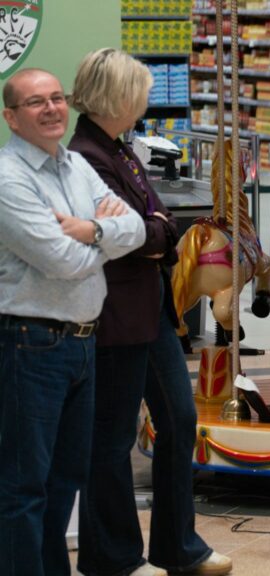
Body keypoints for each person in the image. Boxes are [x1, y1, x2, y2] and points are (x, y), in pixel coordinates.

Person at [66, 49, 233, 576]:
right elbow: (139, 236)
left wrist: (151, 229)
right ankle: (113, 558)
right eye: (138, 91)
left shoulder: (119, 148)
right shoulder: (87, 156)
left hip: (150, 311)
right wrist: (152, 230)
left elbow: (157, 221)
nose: (144, 99)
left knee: (180, 420)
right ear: (117, 96)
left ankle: (178, 547)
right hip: (114, 316)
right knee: (112, 439)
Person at [0, 68, 145, 576]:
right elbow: (60, 260)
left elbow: (137, 228)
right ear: (11, 118)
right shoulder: (8, 178)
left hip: (82, 343)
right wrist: (105, 236)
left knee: (65, 480)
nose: (51, 109)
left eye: (56, 98)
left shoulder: (77, 165)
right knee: (23, 487)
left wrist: (90, 230)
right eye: (35, 102)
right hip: (30, 344)